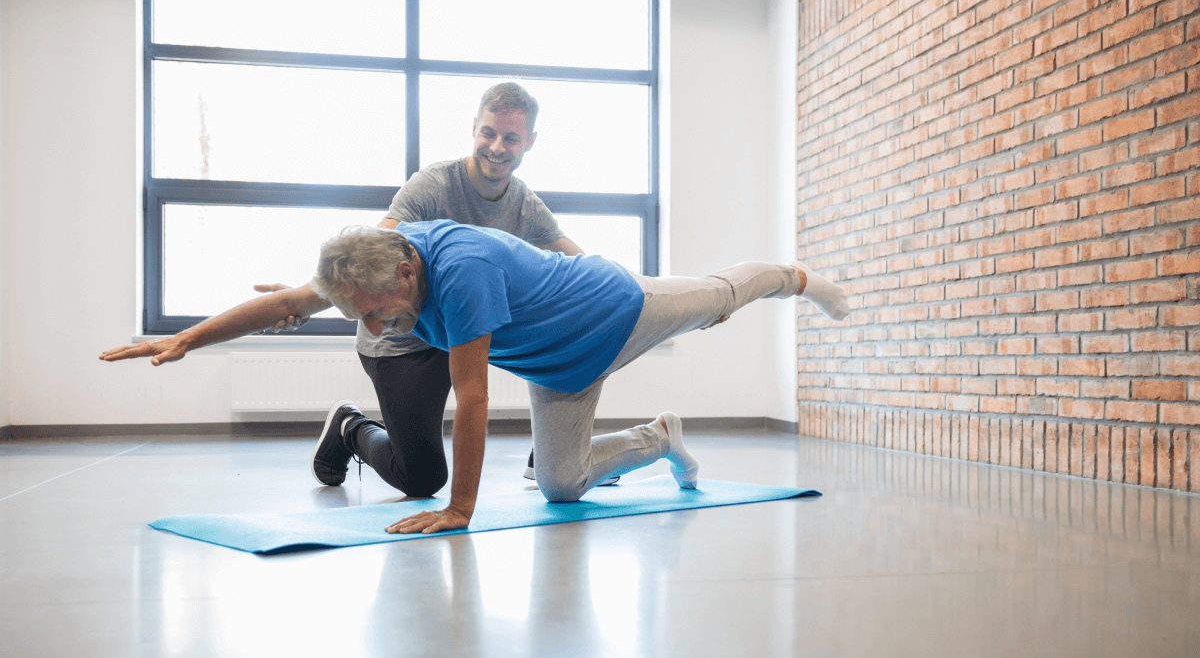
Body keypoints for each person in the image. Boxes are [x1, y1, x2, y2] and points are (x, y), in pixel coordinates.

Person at [100, 220, 850, 534]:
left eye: (378, 310)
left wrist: (461, 508)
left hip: (616, 311)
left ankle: (795, 276)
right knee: (562, 485)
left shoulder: (460, 275)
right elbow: (284, 303)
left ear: (405, 270)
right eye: (359, 316)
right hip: (561, 368)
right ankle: (659, 437)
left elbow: (476, 395)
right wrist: (186, 339)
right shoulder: (372, 268)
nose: (373, 325)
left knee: (717, 299)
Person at [257, 81, 638, 488]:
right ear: (474, 128)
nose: (496, 147)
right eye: (488, 133)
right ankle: (350, 427)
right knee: (421, 478)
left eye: (511, 138)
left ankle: (552, 450)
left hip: (456, 331)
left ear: (529, 142)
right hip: (400, 339)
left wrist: (638, 298)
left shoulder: (524, 205)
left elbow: (581, 270)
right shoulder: (434, 186)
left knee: (550, 327)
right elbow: (369, 252)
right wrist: (305, 298)